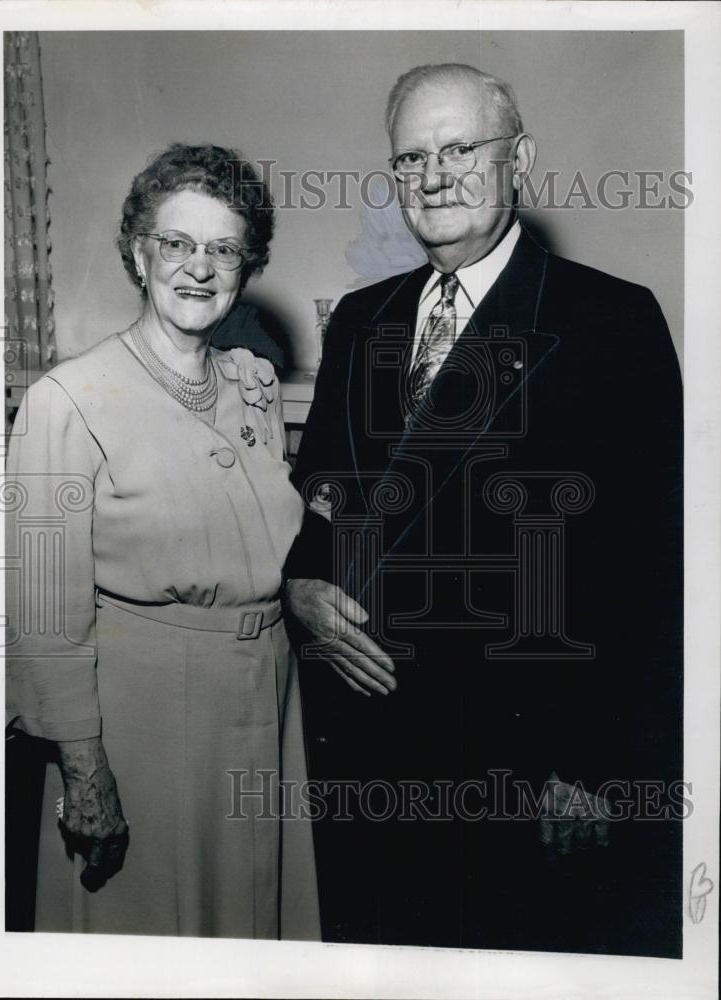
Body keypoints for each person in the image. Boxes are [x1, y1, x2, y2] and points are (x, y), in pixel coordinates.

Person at [284, 64, 682, 954]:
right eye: (411, 156)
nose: (433, 175)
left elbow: (651, 574)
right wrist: (300, 592)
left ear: (520, 159)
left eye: (461, 147)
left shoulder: (607, 321)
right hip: (362, 752)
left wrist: (591, 770)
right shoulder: (359, 320)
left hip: (523, 765)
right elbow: (320, 508)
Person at [5, 142, 320, 940]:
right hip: (141, 719)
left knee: (257, 932)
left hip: (265, 699)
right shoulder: (66, 400)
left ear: (247, 268)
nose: (199, 268)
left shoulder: (250, 385)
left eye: (223, 249)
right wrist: (82, 767)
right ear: (139, 253)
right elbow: (42, 612)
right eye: (177, 243)